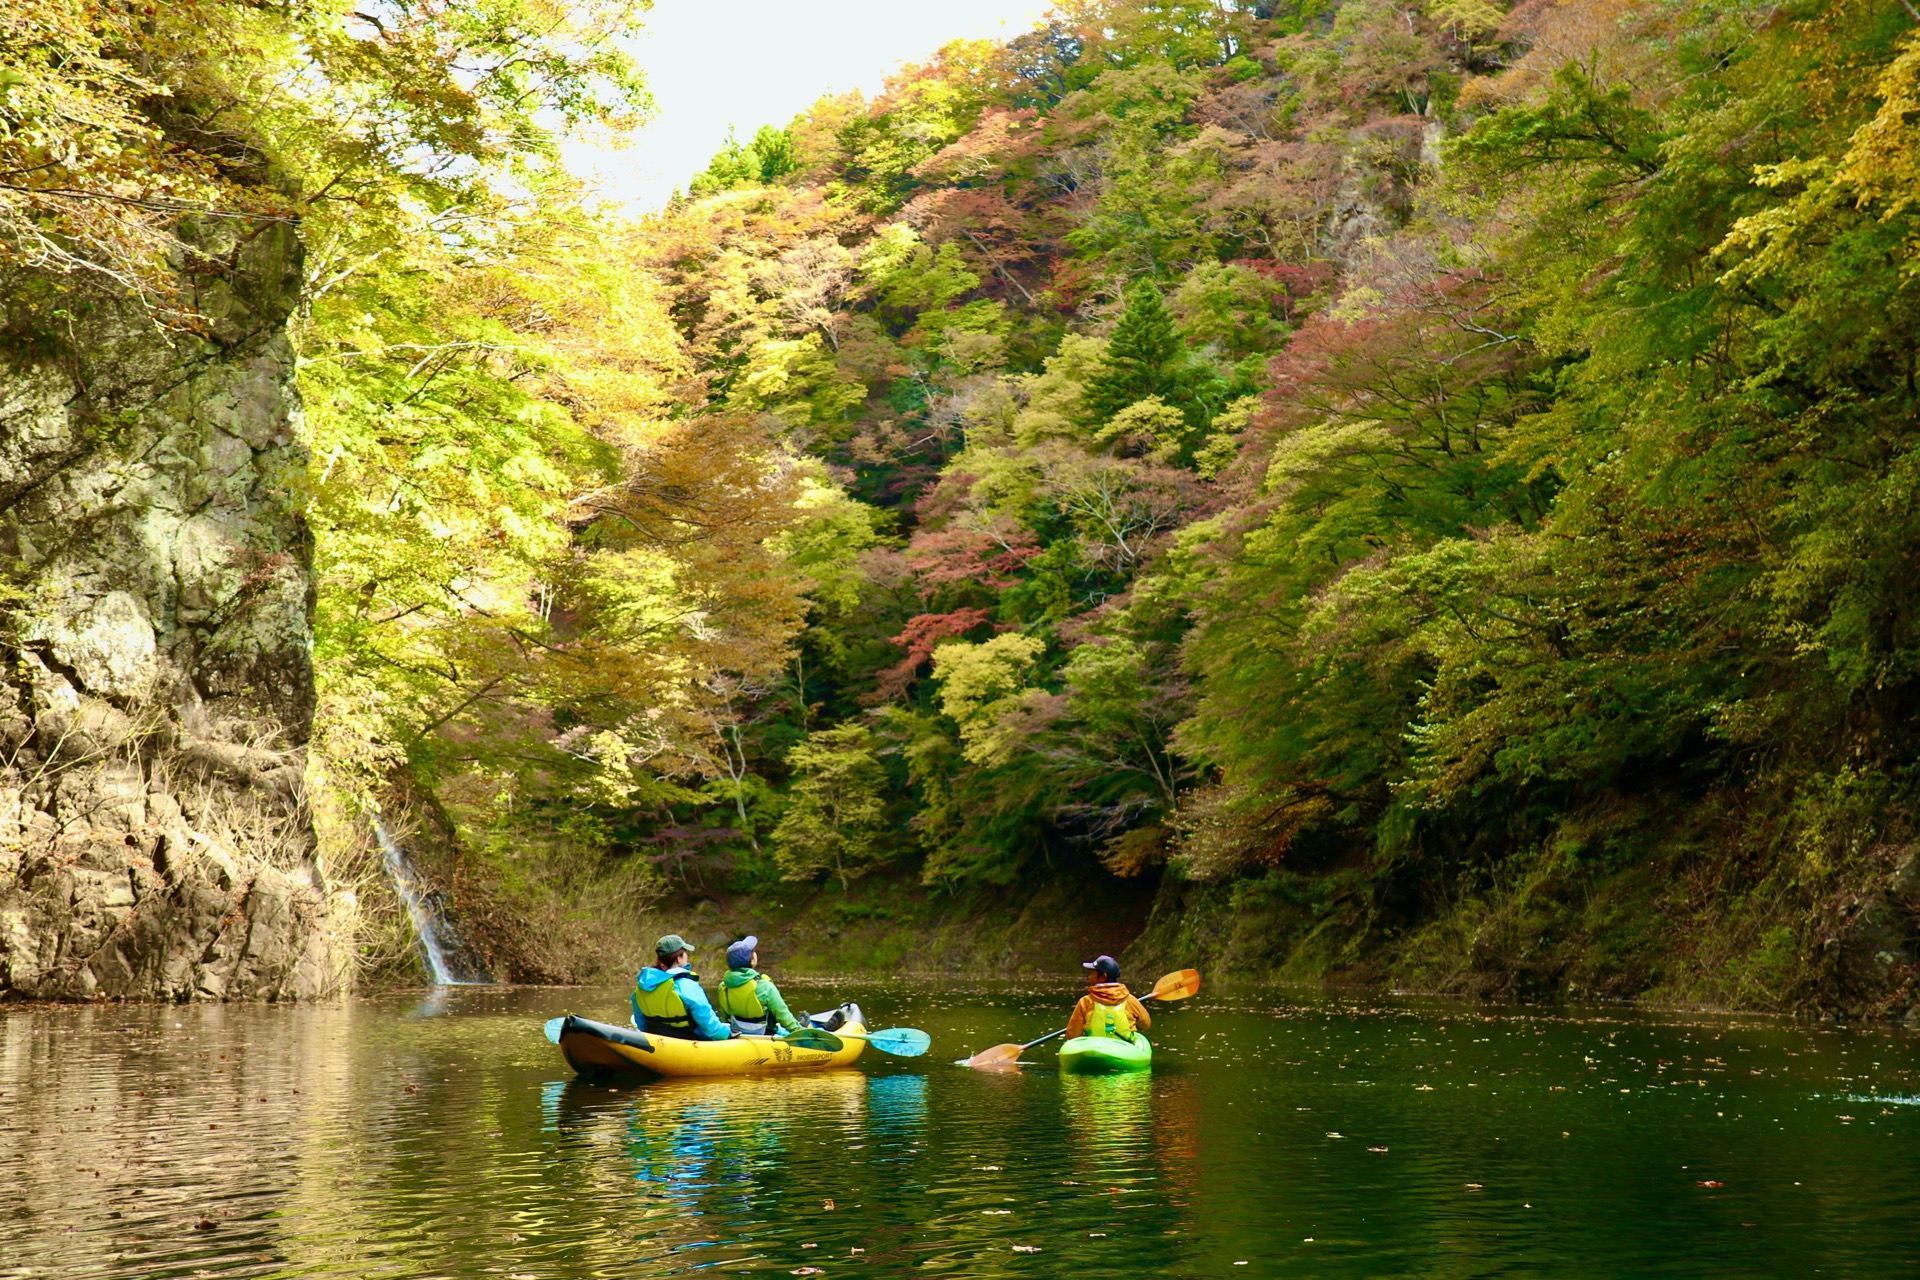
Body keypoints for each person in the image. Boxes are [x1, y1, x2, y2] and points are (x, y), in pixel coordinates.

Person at [632, 934, 734, 1040]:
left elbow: (641, 1024)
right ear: (678, 959)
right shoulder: (687, 985)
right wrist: (726, 1033)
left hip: (656, 1040)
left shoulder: (641, 987)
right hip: (688, 1040)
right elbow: (709, 1026)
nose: (687, 956)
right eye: (685, 953)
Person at [714, 935, 803, 1036]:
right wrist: (800, 1032)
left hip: (739, 1034)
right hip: (765, 1036)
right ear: (751, 960)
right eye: (753, 952)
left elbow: (726, 1018)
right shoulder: (764, 986)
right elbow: (784, 1016)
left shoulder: (723, 987)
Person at [1065, 954, 1151, 1041]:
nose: (1089, 977)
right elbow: (1145, 1024)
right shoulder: (1131, 1000)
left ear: (1103, 977)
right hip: (1124, 1051)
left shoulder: (1086, 1002)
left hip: (1093, 1049)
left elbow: (1073, 1035)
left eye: (1092, 974)